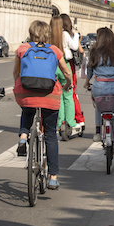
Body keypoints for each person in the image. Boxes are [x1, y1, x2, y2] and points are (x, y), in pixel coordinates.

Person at [13, 20, 72, 190]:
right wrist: (67, 84)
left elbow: (16, 73)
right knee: (51, 135)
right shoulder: (54, 50)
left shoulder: (23, 49)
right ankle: (53, 177)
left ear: (31, 33)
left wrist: (19, 86)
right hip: (49, 95)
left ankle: (23, 137)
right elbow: (66, 72)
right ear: (47, 34)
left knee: (28, 108)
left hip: (27, 91)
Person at [85, 27, 114, 158]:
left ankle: (98, 132)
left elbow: (90, 69)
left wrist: (87, 81)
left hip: (99, 86)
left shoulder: (94, 51)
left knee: (99, 104)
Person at [49, 16, 76, 141]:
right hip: (63, 62)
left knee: (58, 95)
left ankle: (60, 123)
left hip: (52, 64)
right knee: (68, 94)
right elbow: (74, 46)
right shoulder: (64, 34)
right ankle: (70, 121)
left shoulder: (49, 35)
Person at [60, 13, 85, 136]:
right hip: (68, 63)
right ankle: (76, 119)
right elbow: (76, 47)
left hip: (59, 63)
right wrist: (76, 36)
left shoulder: (59, 34)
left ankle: (62, 120)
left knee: (62, 93)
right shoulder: (66, 34)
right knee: (70, 92)